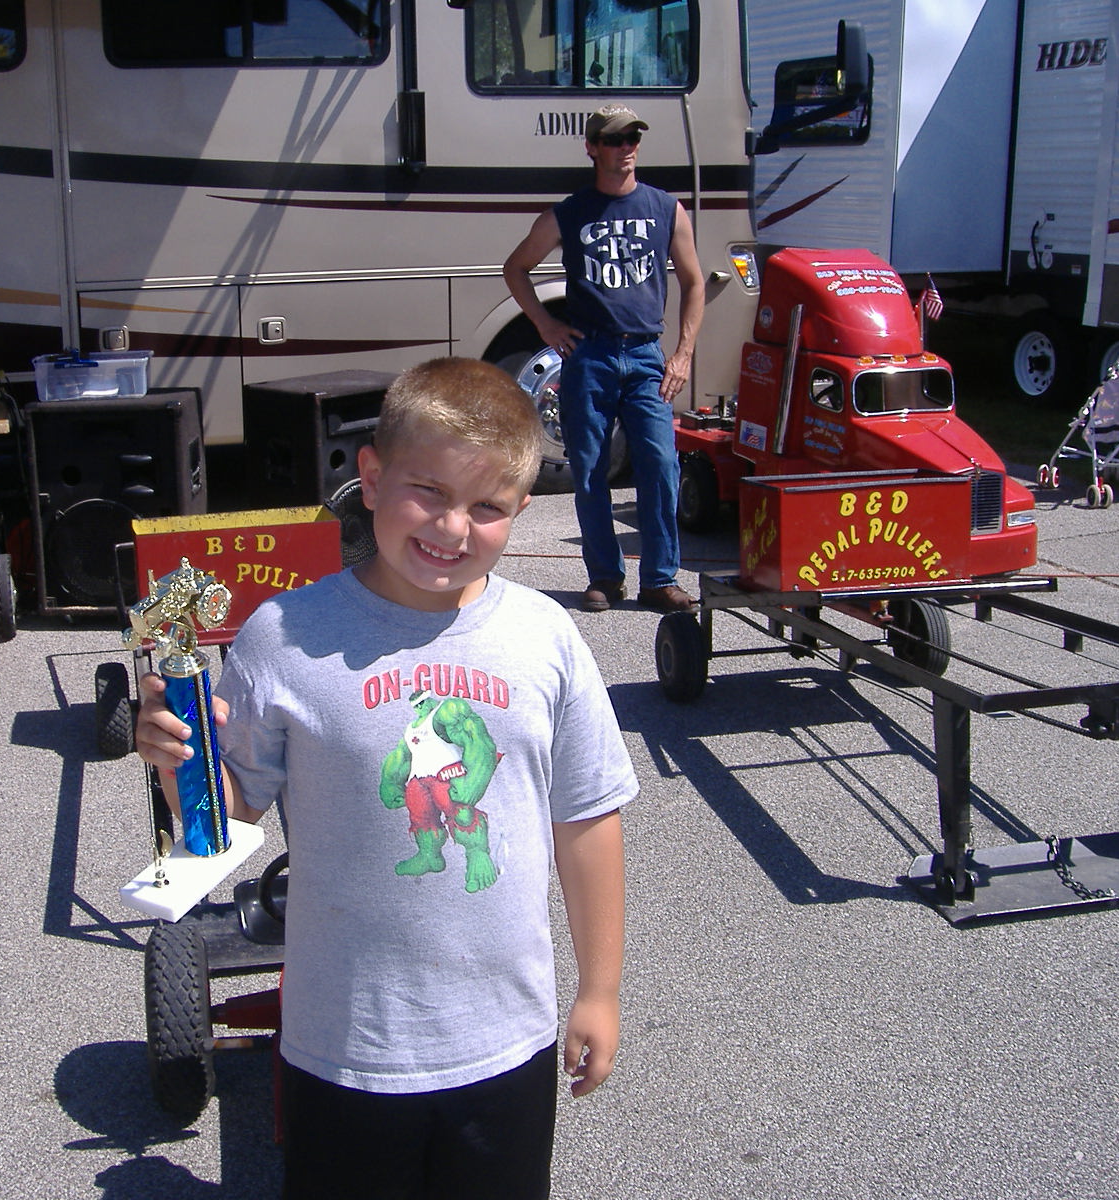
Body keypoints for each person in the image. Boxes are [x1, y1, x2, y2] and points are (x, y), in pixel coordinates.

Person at [136, 357, 635, 1200]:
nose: (453, 526)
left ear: (521, 509)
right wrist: (178, 761)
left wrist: (601, 991)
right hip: (344, 1047)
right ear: (370, 479)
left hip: (506, 1042)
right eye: (427, 491)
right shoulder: (283, 638)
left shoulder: (546, 638)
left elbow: (586, 818)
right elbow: (227, 820)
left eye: (486, 506)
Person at [503, 103, 705, 614]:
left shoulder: (666, 208)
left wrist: (682, 354)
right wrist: (546, 325)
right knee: (591, 471)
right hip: (589, 355)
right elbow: (516, 267)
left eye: (632, 138)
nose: (626, 148)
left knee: (660, 465)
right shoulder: (568, 213)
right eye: (614, 140)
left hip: (645, 354)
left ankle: (659, 579)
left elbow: (694, 281)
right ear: (592, 148)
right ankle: (605, 577)